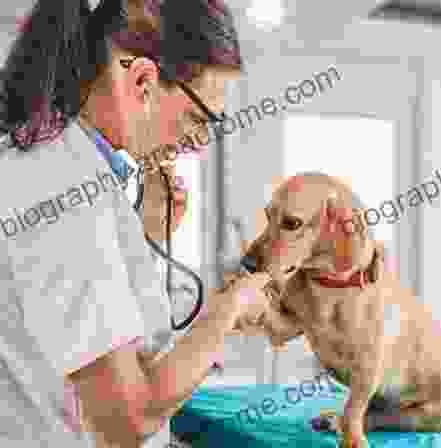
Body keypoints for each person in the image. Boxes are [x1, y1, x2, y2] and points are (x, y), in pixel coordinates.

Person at [0, 0, 272, 447]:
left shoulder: (59, 164)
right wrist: (230, 308)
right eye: (198, 119)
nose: (198, 144)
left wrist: (145, 235)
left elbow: (91, 342)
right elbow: (125, 420)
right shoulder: (61, 187)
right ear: (143, 80)